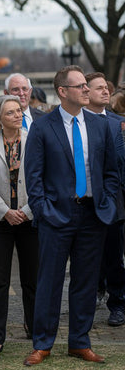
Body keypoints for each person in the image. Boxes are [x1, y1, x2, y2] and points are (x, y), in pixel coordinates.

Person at [23, 65, 119, 366]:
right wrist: (43, 211)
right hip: (56, 217)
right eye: (81, 87)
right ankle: (43, 344)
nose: (87, 91)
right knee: (49, 283)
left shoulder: (100, 125)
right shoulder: (42, 126)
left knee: (86, 284)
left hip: (93, 215)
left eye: (86, 87)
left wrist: (108, 203)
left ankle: (80, 342)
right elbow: (33, 178)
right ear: (63, 91)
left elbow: (111, 171)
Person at [0, 95, 38, 358]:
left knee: (32, 280)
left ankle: (36, 332)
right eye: (11, 112)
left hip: (30, 218)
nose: (18, 115)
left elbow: (42, 180)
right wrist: (5, 212)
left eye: (20, 111)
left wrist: (25, 211)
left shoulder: (34, 140)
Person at [83, 72, 125, 326]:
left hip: (113, 200)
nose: (105, 91)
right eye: (98, 88)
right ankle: (87, 302)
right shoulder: (78, 122)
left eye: (105, 87)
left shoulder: (118, 122)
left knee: (114, 256)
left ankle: (118, 303)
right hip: (84, 199)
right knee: (87, 256)